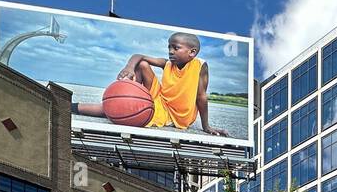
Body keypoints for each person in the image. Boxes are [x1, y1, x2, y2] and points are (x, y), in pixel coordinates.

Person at [74, 33, 230, 136]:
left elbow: (201, 96)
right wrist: (128, 67)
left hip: (175, 114)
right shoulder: (168, 63)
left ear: (192, 52)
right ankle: (134, 102)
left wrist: (206, 126)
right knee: (142, 64)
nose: (170, 51)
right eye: (169, 47)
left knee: (113, 111)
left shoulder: (200, 66)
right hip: (161, 100)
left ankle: (72, 106)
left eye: (176, 48)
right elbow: (138, 56)